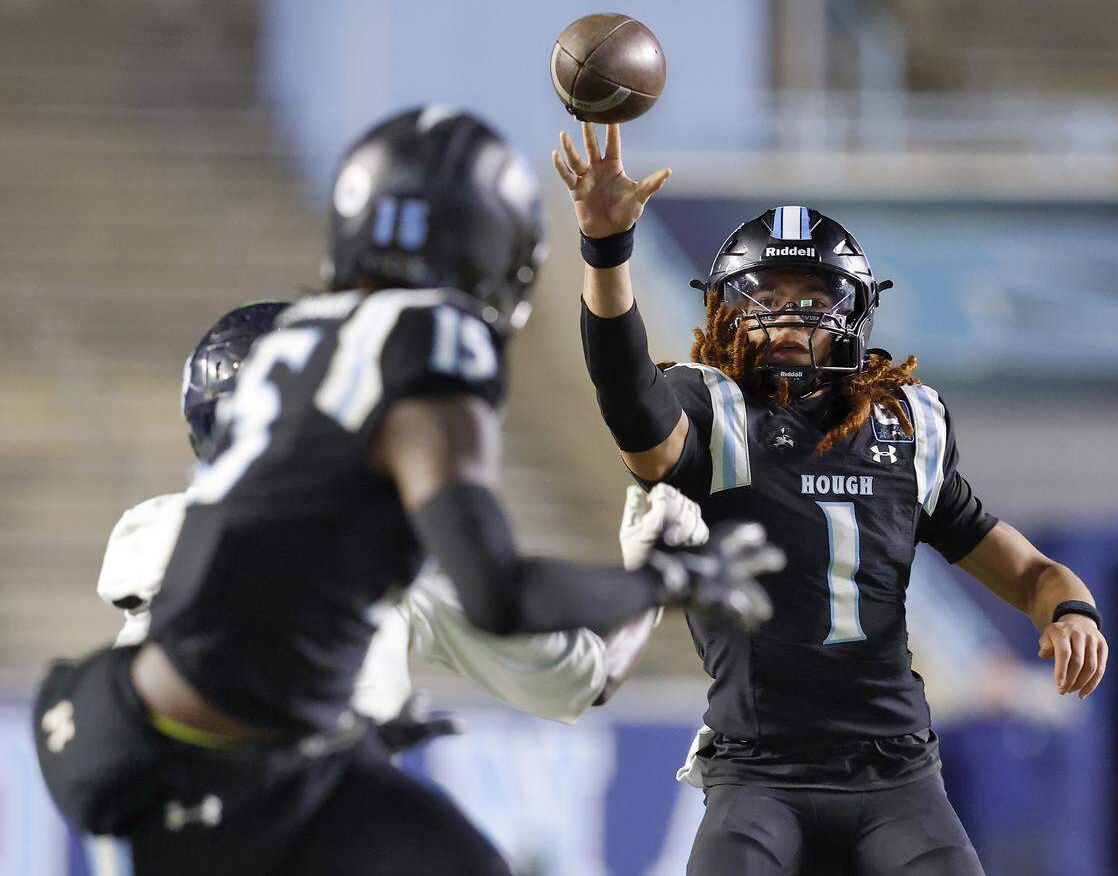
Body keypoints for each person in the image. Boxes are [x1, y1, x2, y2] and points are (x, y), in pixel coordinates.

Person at [33, 106, 781, 876]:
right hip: (237, 769)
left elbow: (249, 600)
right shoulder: (427, 343)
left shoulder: (295, 364)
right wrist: (668, 577)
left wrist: (359, 712)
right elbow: (509, 606)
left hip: (123, 729)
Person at [553, 121, 1109, 875]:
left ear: (853, 312)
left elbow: (1033, 572)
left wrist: (1071, 611)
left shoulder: (905, 426)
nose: (788, 316)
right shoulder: (713, 411)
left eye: (812, 297)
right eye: (765, 296)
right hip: (758, 771)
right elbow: (626, 394)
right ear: (724, 311)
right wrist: (606, 248)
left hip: (896, 775)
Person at [97, 301, 710, 732]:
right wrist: (653, 573)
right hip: (313, 820)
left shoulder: (151, 529)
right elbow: (584, 678)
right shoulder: (388, 548)